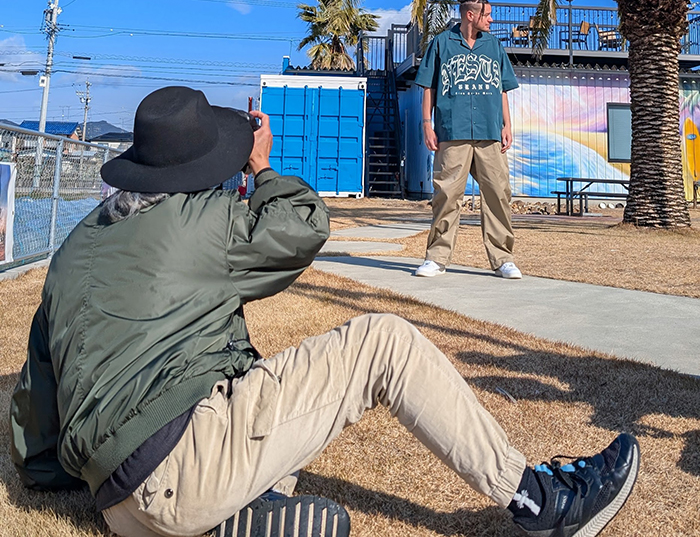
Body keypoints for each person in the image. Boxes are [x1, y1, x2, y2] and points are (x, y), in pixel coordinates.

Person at [10, 86, 640, 537]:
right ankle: (539, 502)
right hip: (184, 469)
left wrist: (53, 482)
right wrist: (261, 166)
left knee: (247, 380)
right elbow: (303, 224)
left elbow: (37, 404)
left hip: (118, 505)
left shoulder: (73, 250)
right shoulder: (202, 222)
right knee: (385, 342)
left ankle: (236, 514)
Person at [415, 0, 522, 279]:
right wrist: (427, 124)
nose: (492, 19)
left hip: (489, 132)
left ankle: (503, 259)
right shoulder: (441, 43)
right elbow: (428, 86)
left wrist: (507, 125)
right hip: (453, 131)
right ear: (470, 15)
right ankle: (436, 259)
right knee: (447, 196)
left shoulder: (494, 46)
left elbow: (502, 88)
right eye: (487, 15)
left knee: (498, 194)